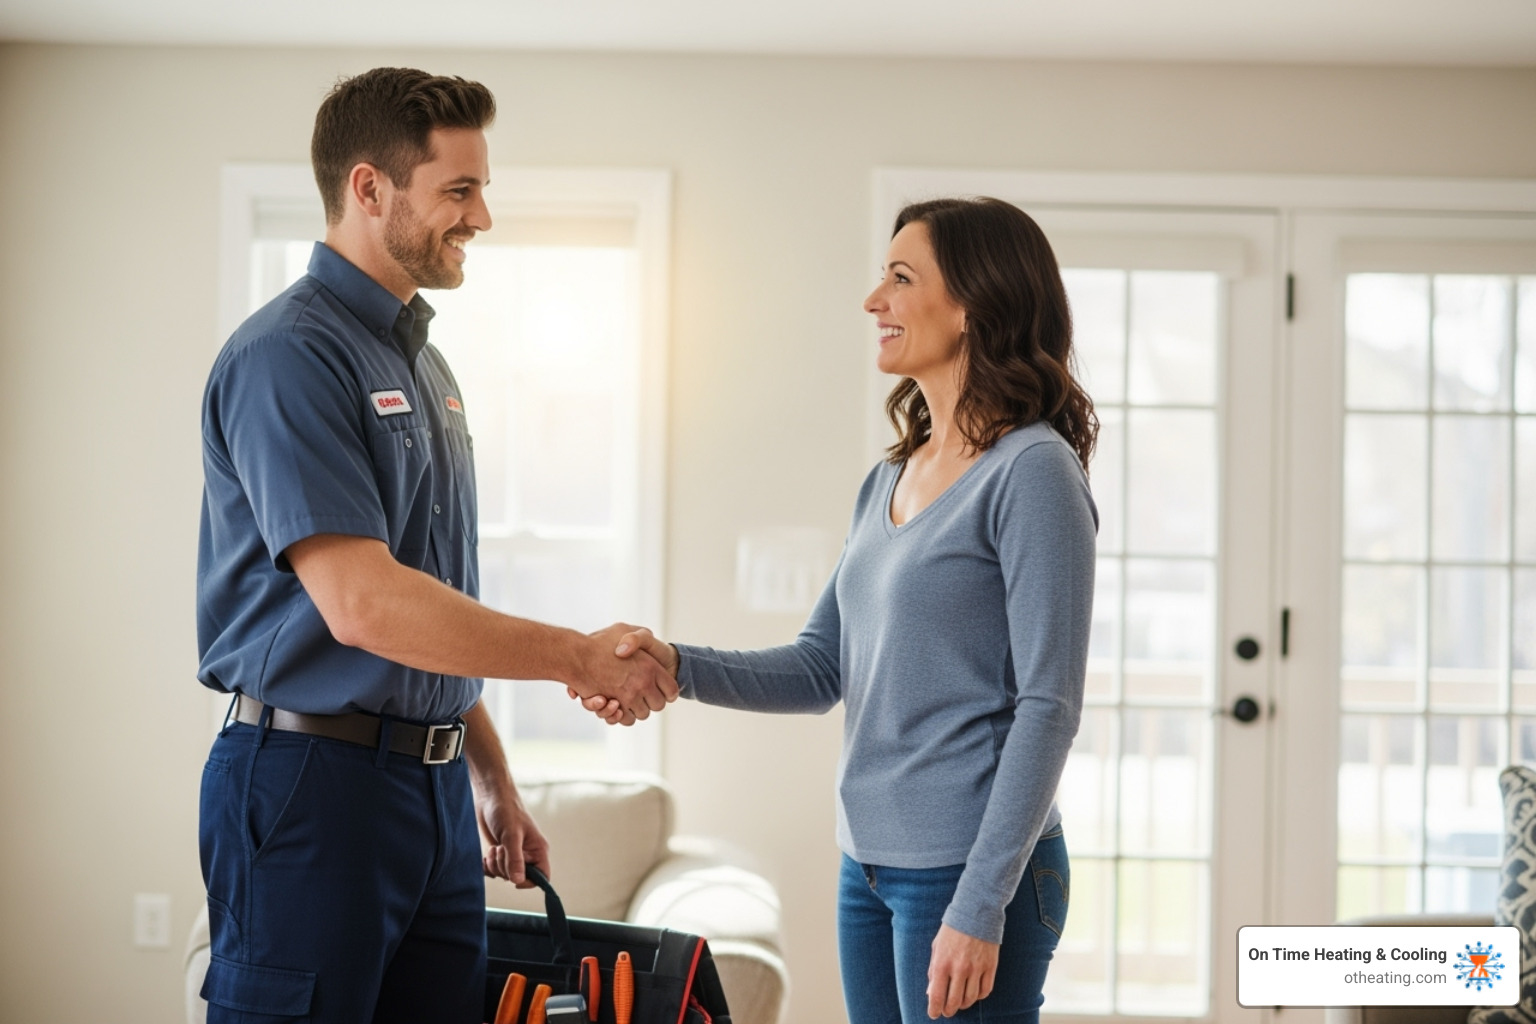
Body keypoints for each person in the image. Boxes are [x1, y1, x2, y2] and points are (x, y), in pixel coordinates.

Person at [196, 67, 676, 1024]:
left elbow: (427, 600)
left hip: (431, 795)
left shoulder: (426, 363)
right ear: (370, 189)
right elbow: (366, 606)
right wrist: (579, 657)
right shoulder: (288, 356)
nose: (483, 216)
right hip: (311, 787)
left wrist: (490, 780)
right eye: (459, 190)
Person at [582, 197, 1098, 1023]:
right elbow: (822, 666)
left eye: (900, 278)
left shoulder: (1032, 473)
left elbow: (1050, 706)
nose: (873, 301)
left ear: (972, 305)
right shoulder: (889, 478)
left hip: (969, 871)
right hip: (867, 867)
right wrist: (672, 665)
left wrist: (979, 904)